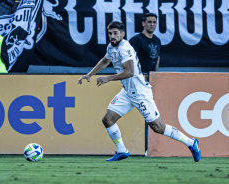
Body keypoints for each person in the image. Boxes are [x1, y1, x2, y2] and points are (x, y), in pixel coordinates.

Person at [78, 21, 201, 162]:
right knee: (108, 119)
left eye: (115, 33)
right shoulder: (111, 47)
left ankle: (191, 143)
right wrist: (89, 74)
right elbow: (105, 61)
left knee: (158, 127)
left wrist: (108, 78)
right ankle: (122, 150)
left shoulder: (125, 48)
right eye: (110, 33)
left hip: (141, 93)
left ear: (122, 34)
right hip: (127, 92)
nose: (112, 36)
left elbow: (129, 72)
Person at [129, 13, 161, 79]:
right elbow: (129, 60)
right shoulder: (136, 40)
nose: (152, 24)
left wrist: (155, 74)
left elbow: (157, 58)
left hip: (152, 78)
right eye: (149, 22)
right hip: (138, 77)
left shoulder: (157, 40)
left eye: (154, 22)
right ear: (143, 23)